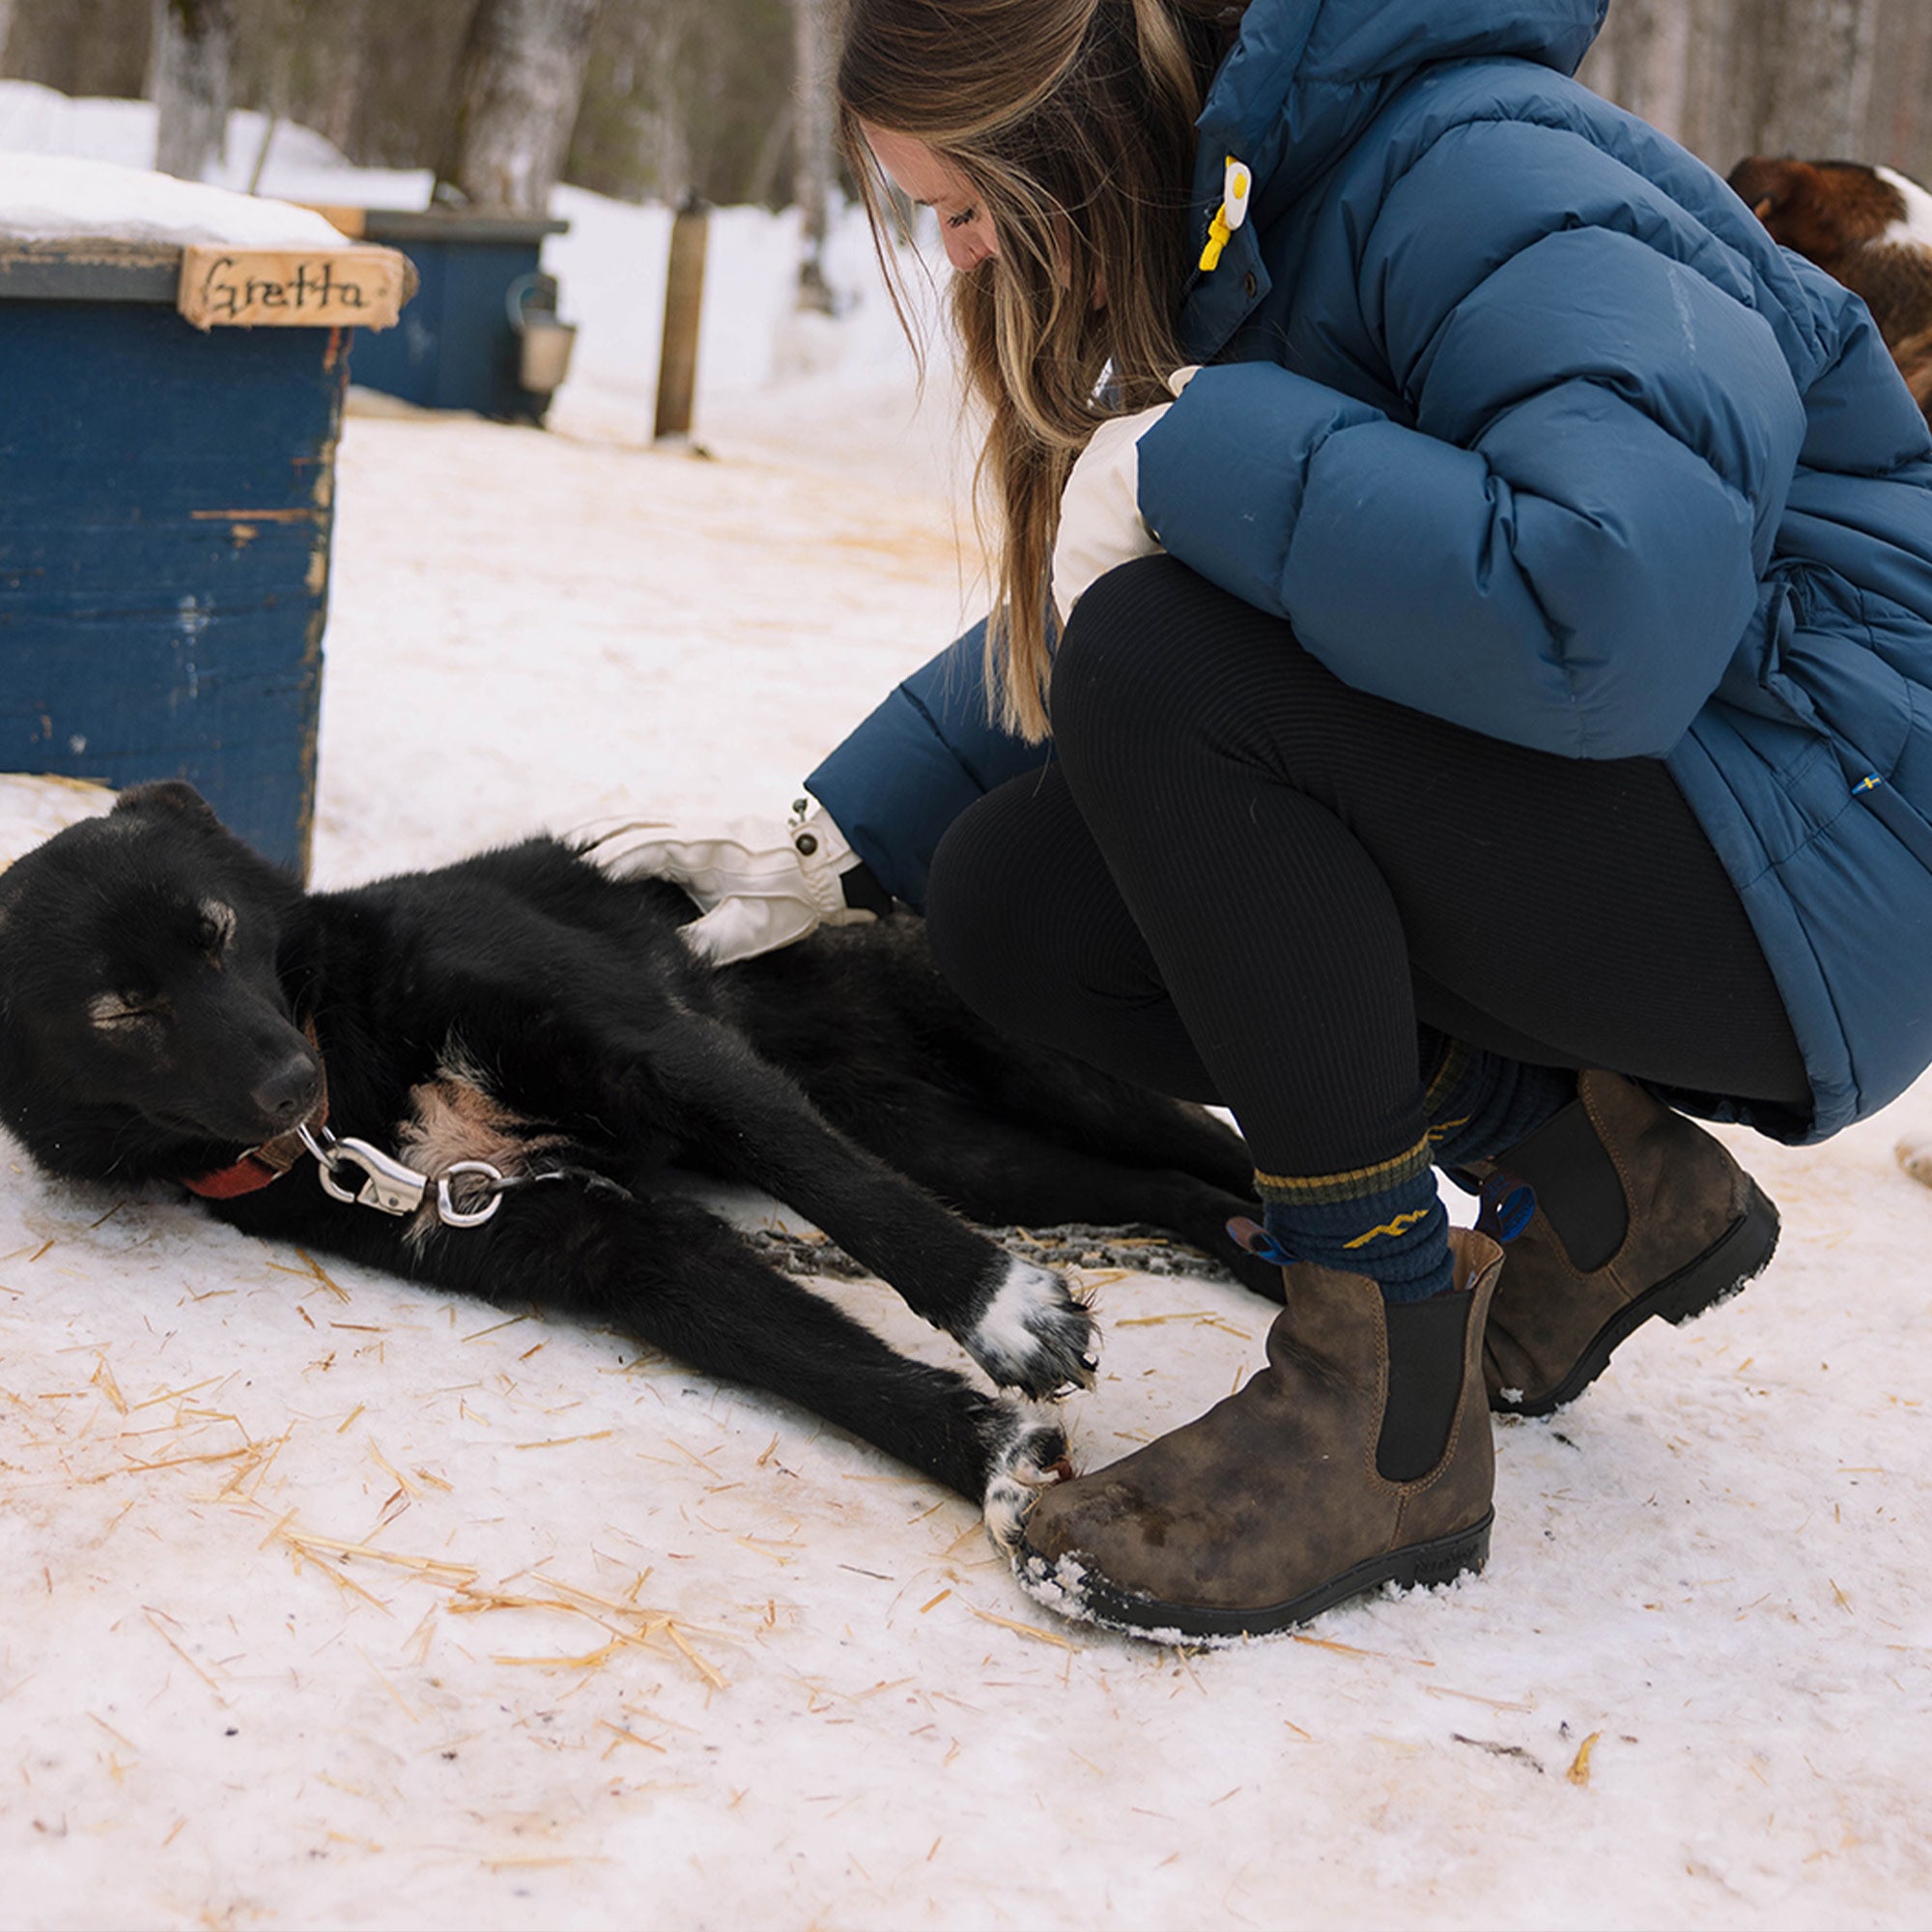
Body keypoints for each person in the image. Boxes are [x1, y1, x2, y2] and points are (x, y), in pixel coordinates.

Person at [593, 0, 1932, 1642]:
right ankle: (1598, 1183)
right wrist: (841, 830)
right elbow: (1213, 579)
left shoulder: (1483, 168)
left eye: (956, 206)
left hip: (1839, 833)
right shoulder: (1272, 205)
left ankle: (1377, 1410)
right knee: (1021, 900)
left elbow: (1612, 609)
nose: (951, 260)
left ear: (1067, 134)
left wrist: (1196, 452)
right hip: (1712, 810)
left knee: (1166, 673)